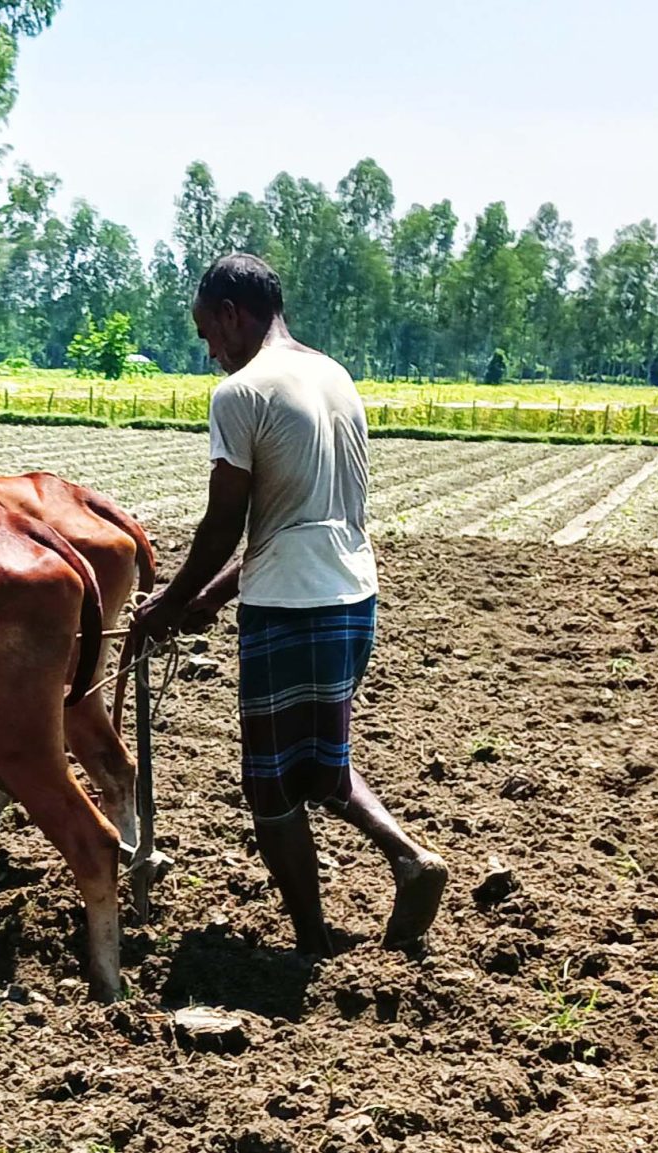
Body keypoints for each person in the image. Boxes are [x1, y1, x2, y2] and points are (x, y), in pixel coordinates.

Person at [133, 253, 450, 958]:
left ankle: (310, 938)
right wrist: (212, 599)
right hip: (352, 596)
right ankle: (409, 859)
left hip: (290, 609)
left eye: (205, 331)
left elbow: (225, 524)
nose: (208, 350)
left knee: (270, 787)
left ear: (230, 313)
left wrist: (166, 604)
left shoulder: (242, 393)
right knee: (318, 758)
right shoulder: (333, 376)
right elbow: (293, 520)